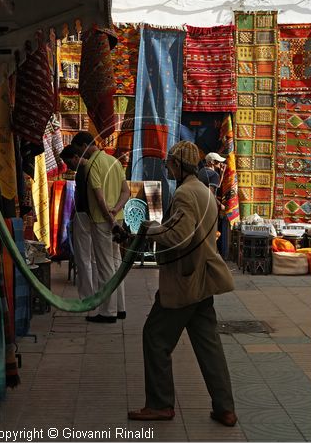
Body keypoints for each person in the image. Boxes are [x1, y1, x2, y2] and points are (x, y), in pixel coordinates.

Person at [127, 140, 237, 427]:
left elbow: (179, 237)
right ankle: (225, 408)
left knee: (155, 337)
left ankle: (160, 404)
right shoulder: (204, 191)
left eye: (170, 163)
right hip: (202, 280)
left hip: (185, 281)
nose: (167, 167)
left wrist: (151, 229)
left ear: (178, 165)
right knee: (208, 346)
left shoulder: (187, 194)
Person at [71, 131, 130, 323]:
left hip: (102, 221)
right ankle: (120, 308)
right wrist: (116, 212)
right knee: (115, 264)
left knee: (105, 266)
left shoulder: (91, 166)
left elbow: (99, 198)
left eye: (79, 150)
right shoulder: (114, 161)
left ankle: (108, 311)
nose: (80, 155)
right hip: (116, 218)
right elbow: (126, 192)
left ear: (83, 146)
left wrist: (109, 218)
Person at [59, 145, 98, 300]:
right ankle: (95, 294)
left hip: (84, 216)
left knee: (83, 259)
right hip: (93, 216)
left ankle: (87, 296)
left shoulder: (83, 170)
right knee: (93, 259)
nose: (68, 166)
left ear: (76, 157)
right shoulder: (91, 168)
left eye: (69, 162)